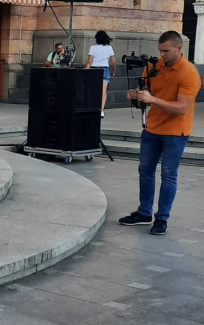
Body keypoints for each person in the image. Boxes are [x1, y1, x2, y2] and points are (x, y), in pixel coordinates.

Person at [119, 31, 201, 235]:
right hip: (152, 128)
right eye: (160, 50)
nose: (162, 55)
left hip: (175, 131)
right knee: (145, 170)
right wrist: (136, 96)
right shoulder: (153, 65)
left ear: (179, 48)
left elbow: (182, 108)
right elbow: (147, 92)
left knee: (168, 175)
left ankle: (162, 218)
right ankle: (144, 212)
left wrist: (153, 100)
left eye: (166, 51)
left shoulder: (189, 73)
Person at [85, 30, 115, 117]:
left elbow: (89, 61)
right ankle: (101, 110)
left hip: (94, 69)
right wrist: (114, 71)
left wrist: (85, 70)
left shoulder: (93, 47)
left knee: (92, 90)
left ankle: (92, 107)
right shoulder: (109, 48)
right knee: (103, 91)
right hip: (105, 70)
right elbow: (113, 62)